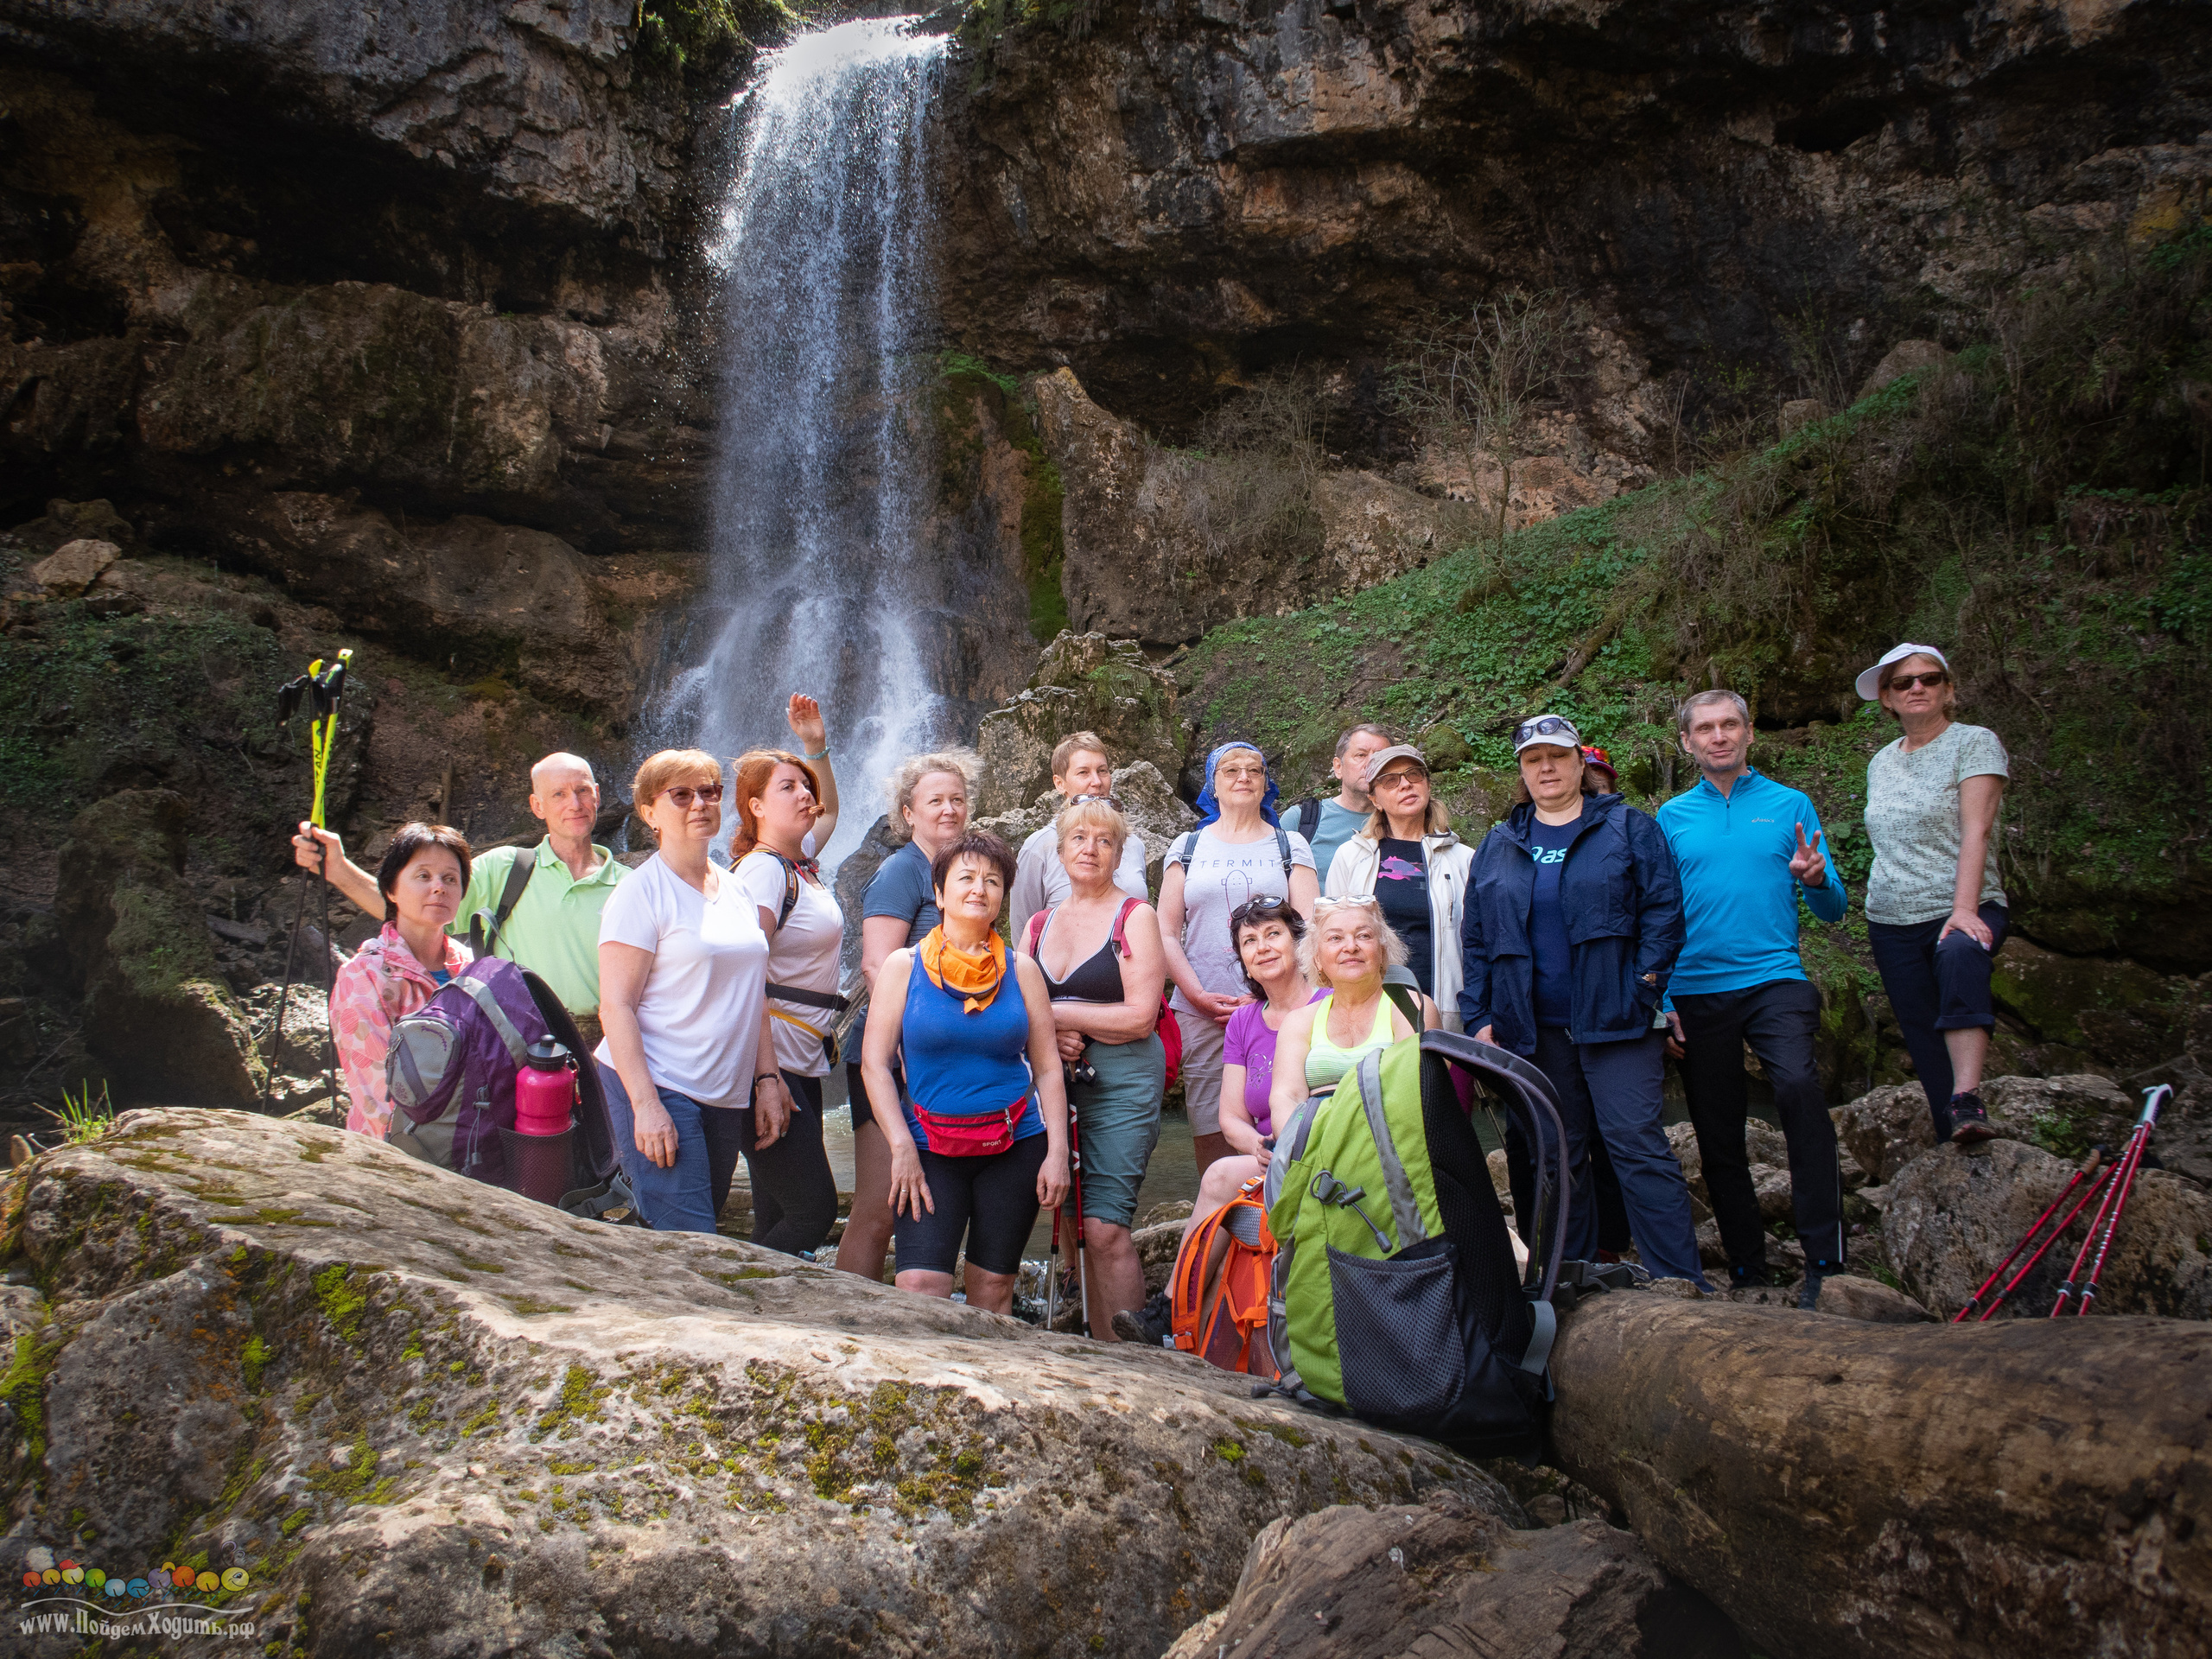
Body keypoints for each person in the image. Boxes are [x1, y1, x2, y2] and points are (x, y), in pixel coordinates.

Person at [1459, 715, 1711, 1288]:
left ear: (1579, 763)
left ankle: (1681, 1279)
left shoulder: (1628, 829)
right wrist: (1479, 1015)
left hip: (1616, 1021)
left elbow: (1664, 913)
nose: (1546, 768)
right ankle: (1569, 1279)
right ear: (1522, 772)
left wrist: (1642, 987)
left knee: (1637, 1146)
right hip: (1533, 1029)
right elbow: (1476, 939)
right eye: (1533, 760)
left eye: (1557, 757)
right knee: (1558, 1154)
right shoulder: (1501, 843)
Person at [1659, 690, 1851, 1301]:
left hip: (1774, 977)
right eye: (1706, 728)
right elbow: (1658, 913)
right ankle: (1747, 1267)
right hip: (1696, 988)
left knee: (1796, 1087)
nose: (1719, 736)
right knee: (1718, 1131)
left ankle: (1825, 1256)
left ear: (1747, 734)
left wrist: (1816, 879)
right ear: (1687, 742)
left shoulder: (1790, 805)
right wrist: (1662, 999)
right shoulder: (1671, 818)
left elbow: (1834, 908)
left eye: (1730, 725)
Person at [861, 831, 1072, 1313]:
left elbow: (1047, 1067)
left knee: (993, 1290)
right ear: (939, 893)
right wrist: (899, 1147)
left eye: (993, 880)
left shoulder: (1022, 971)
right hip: (927, 1147)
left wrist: (1057, 1151)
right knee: (917, 1287)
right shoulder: (904, 966)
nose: (980, 888)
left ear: (1002, 897)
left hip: (1016, 1144)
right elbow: (876, 1064)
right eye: (967, 878)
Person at [295, 751, 626, 1044]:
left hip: (611, 1045)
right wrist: (339, 871)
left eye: (583, 790)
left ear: (597, 795)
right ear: (537, 806)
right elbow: (413, 907)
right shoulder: (507, 868)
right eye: (559, 794)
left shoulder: (631, 885)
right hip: (522, 1041)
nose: (575, 803)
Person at [594, 750, 789, 1235]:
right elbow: (615, 1005)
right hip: (659, 1081)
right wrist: (645, 1105)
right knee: (690, 1239)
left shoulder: (736, 889)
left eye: (710, 791)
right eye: (681, 794)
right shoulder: (640, 893)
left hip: (723, 1092)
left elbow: (752, 994)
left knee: (687, 1232)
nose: (699, 803)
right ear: (649, 812)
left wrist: (768, 1079)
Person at [1020, 798, 1167, 1339]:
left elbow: (1139, 1016)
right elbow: (1015, 1007)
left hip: (1122, 1081)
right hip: (1054, 1086)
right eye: (1079, 838)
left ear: (1118, 855)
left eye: (1104, 841)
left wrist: (1053, 1013)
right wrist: (1049, 1032)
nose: (1091, 849)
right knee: (1070, 1220)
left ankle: (1137, 1360)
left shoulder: (1136, 917)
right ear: (1059, 852)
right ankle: (1098, 1347)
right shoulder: (1037, 926)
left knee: (1105, 1225)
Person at [1857, 645, 2011, 1144]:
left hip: (1961, 904)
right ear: (1887, 698)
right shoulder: (1881, 762)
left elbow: (1976, 831)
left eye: (1928, 678)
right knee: (1921, 1033)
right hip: (1890, 919)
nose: (1916, 688)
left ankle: (1968, 1097)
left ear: (1948, 689)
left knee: (1962, 954)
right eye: (1903, 683)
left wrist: (1963, 910)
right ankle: (1954, 1134)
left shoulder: (1974, 743)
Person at [843, 748, 983, 1281]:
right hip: (891, 1053)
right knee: (881, 1205)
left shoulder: (965, 874)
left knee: (916, 1198)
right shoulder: (902, 872)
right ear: (908, 813)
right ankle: (846, 1320)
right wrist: (908, 1038)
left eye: (957, 799)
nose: (948, 810)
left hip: (941, 1055)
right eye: (934, 801)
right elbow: (879, 965)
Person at [1158, 742, 1319, 1173]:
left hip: (1283, 1007)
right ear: (1213, 783)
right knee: (1211, 1121)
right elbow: (1165, 933)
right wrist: (1196, 995)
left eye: (1254, 770)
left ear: (1267, 783)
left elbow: (1308, 929)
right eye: (1231, 770)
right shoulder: (1187, 845)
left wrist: (1266, 999)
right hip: (1201, 1009)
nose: (1244, 777)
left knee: (1291, 1106)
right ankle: (1227, 1221)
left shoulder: (1291, 845)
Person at [727, 696, 844, 1255]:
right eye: (788, 788)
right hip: (771, 1067)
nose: (805, 795)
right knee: (813, 1208)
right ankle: (726, 1305)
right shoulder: (764, 871)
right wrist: (764, 1078)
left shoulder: (797, 864)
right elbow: (741, 972)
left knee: (775, 1213)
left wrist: (814, 748)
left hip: (802, 1062)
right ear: (754, 807)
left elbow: (833, 812)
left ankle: (757, 1322)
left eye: (806, 786)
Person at [328, 823, 474, 1141]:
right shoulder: (363, 976)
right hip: (397, 1156)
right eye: (423, 876)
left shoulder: (470, 968)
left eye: (451, 878)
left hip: (476, 1146)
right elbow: (377, 1097)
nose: (439, 887)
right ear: (391, 889)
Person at [1323, 744, 1471, 1024]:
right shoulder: (1352, 857)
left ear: (1427, 784)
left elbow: (1479, 945)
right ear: (1375, 798)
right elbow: (1331, 937)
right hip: (1371, 1012)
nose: (1405, 785)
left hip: (1446, 1010)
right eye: (1390, 780)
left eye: (1414, 775)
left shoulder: (1463, 860)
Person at [1268, 897, 1441, 1124]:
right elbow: (1286, 1098)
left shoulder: (1411, 1007)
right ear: (1317, 959)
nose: (1350, 947)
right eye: (1335, 938)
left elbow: (1411, 1095)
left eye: (1364, 936)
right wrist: (1297, 1145)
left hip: (1392, 1144)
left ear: (1382, 951)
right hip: (1315, 1146)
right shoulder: (1299, 1021)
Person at [1008, 732, 1150, 943]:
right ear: (1060, 783)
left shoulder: (1132, 844)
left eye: (1102, 771)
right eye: (1083, 772)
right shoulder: (1040, 847)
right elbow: (1024, 933)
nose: (1097, 782)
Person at [1281, 724, 1393, 885]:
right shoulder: (1302, 820)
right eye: (1361, 755)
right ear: (1338, 767)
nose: (1371, 763)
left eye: (1381, 757)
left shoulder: (1404, 822)